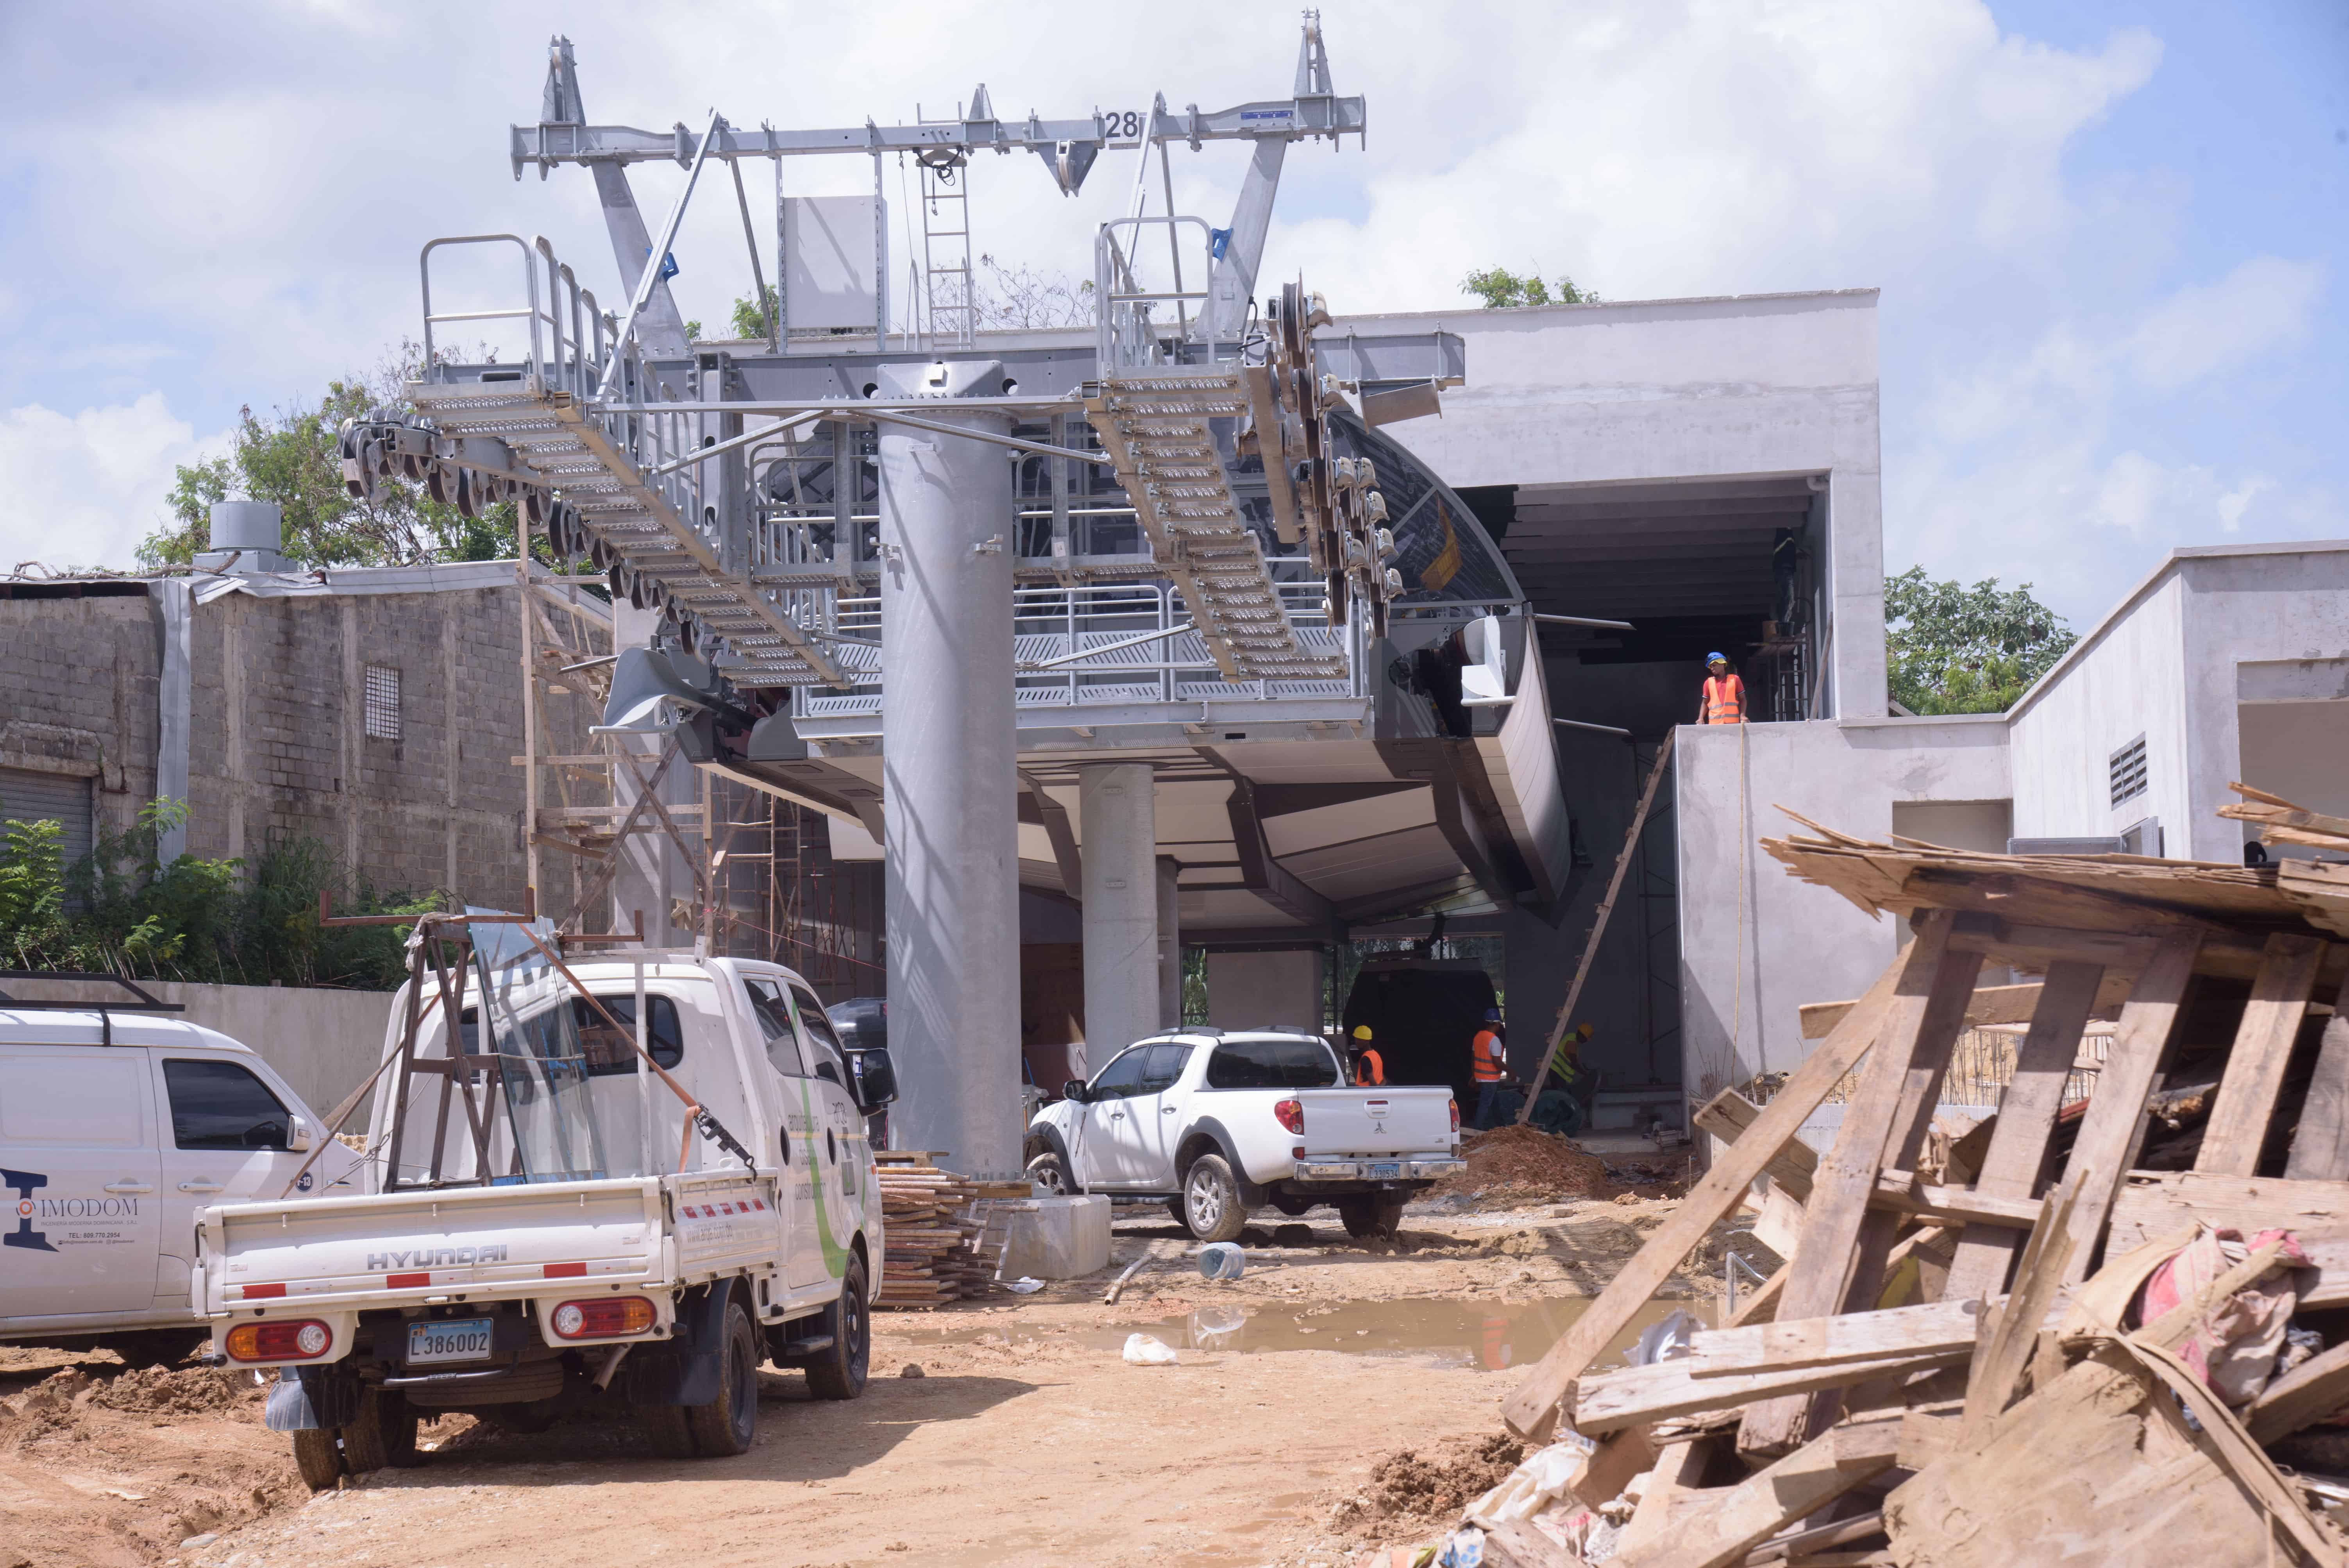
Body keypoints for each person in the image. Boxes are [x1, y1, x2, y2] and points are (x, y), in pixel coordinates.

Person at [1471, 1006, 1510, 1128]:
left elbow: (1473, 1058)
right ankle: (1476, 1132)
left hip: (1481, 1078)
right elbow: (1498, 1062)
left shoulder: (1478, 1037)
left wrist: (1474, 1076)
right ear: (1498, 1024)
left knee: (1494, 1103)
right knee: (1484, 1106)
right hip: (1490, 1079)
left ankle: (1501, 1127)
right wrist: (1511, 1071)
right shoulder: (1494, 1040)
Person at [1700, 652, 1745, 725]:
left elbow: (1743, 699)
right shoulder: (1708, 682)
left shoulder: (1735, 679)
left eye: (1714, 665)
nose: (1712, 668)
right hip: (1715, 724)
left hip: (1732, 724)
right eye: (1711, 667)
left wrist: (1743, 716)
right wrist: (1701, 718)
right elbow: (1705, 702)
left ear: (1722, 664)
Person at [1350, 1023, 1385, 1087]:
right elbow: (1384, 1081)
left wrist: (1377, 1090)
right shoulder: (1376, 1055)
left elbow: (1373, 1085)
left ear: (1367, 1041)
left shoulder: (1366, 1059)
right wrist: (1380, 1090)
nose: (1356, 1042)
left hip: (1365, 1093)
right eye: (1356, 1039)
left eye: (1359, 1040)